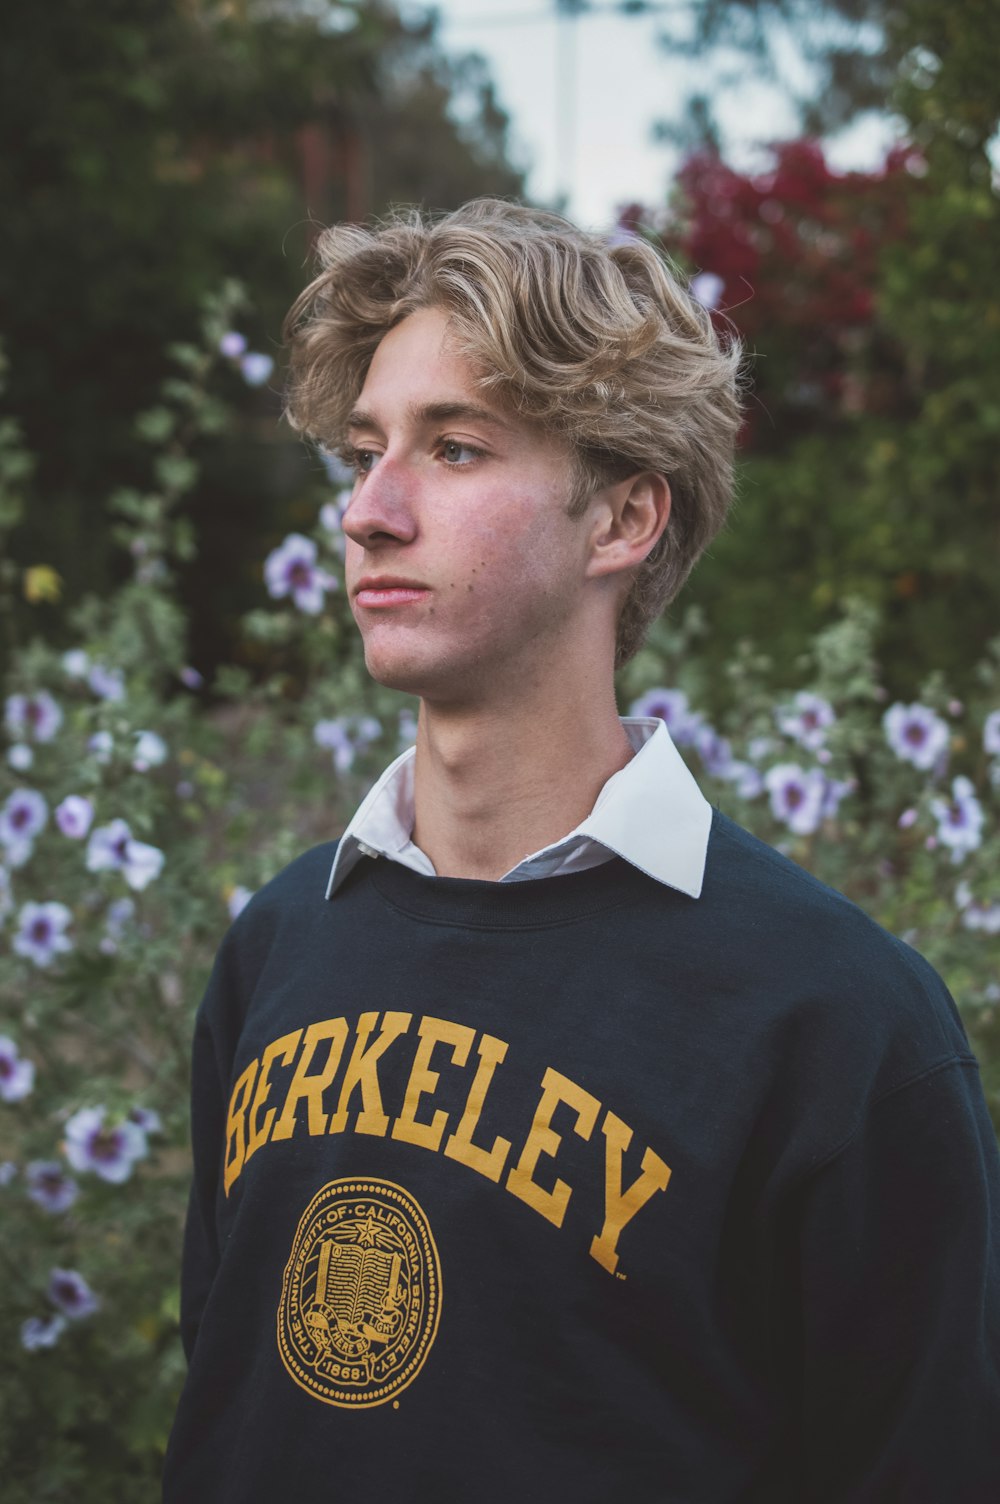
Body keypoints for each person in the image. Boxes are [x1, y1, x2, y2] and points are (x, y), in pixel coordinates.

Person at [163, 200, 1000, 1503]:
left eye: (452, 448)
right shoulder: (278, 943)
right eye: (362, 451)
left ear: (622, 521)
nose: (369, 513)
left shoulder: (839, 1026)